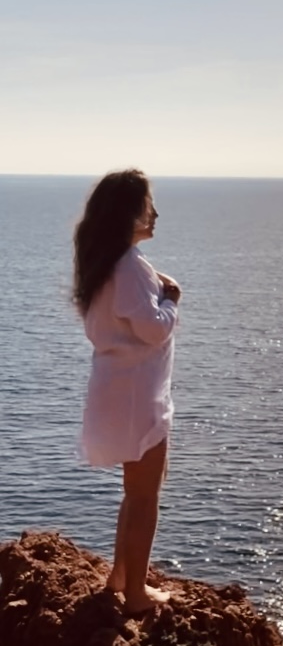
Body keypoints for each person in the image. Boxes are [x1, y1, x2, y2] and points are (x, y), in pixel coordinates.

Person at [73, 169, 182, 615]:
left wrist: (159, 290)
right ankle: (136, 593)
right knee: (145, 495)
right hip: (139, 394)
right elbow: (153, 329)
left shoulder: (106, 262)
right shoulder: (130, 266)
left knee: (135, 492)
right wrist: (172, 300)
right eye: (147, 206)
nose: (154, 214)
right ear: (128, 213)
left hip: (118, 387)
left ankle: (119, 577)